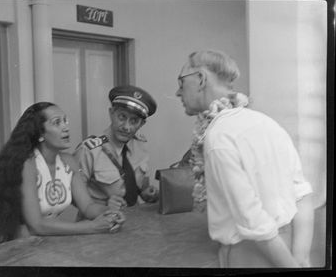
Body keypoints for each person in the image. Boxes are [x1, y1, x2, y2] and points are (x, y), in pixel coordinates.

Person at [175, 50, 314, 268]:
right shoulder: (267, 123)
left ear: (200, 79)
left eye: (181, 82)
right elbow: (302, 194)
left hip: (250, 255)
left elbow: (255, 223)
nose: (177, 92)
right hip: (285, 248)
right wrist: (301, 258)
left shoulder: (219, 137)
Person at [0, 102, 125, 246]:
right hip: (12, 246)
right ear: (40, 133)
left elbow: (88, 207)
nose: (66, 127)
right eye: (57, 123)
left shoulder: (69, 161)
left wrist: (109, 213)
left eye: (65, 121)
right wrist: (90, 227)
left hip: (44, 244)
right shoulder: (27, 164)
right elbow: (36, 224)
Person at [74, 85, 159, 211]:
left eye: (134, 121)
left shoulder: (141, 146)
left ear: (142, 124)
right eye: (122, 117)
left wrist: (147, 193)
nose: (126, 127)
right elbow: (72, 198)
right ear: (111, 113)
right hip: (97, 224)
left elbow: (141, 187)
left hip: (134, 223)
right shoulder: (89, 151)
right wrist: (104, 206)